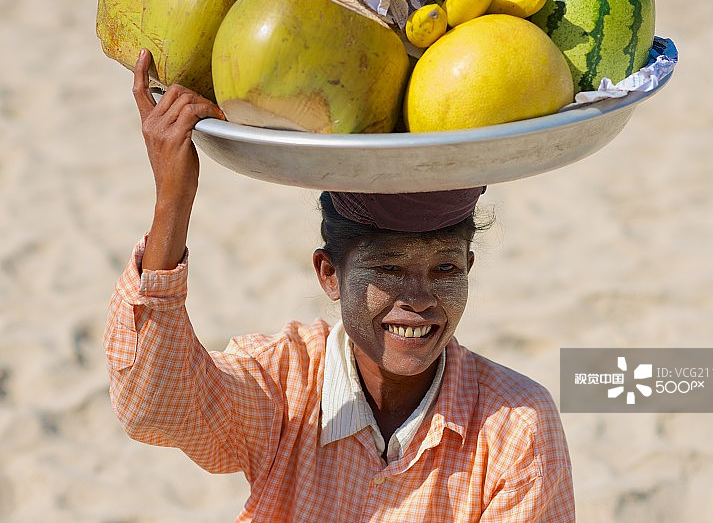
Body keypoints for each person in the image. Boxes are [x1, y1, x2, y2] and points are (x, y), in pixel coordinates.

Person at [104, 49, 575, 522]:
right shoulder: (284, 385)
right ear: (329, 273)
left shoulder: (515, 426)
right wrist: (173, 201)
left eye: (445, 269)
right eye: (388, 270)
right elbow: (154, 406)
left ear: (469, 267)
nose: (419, 300)